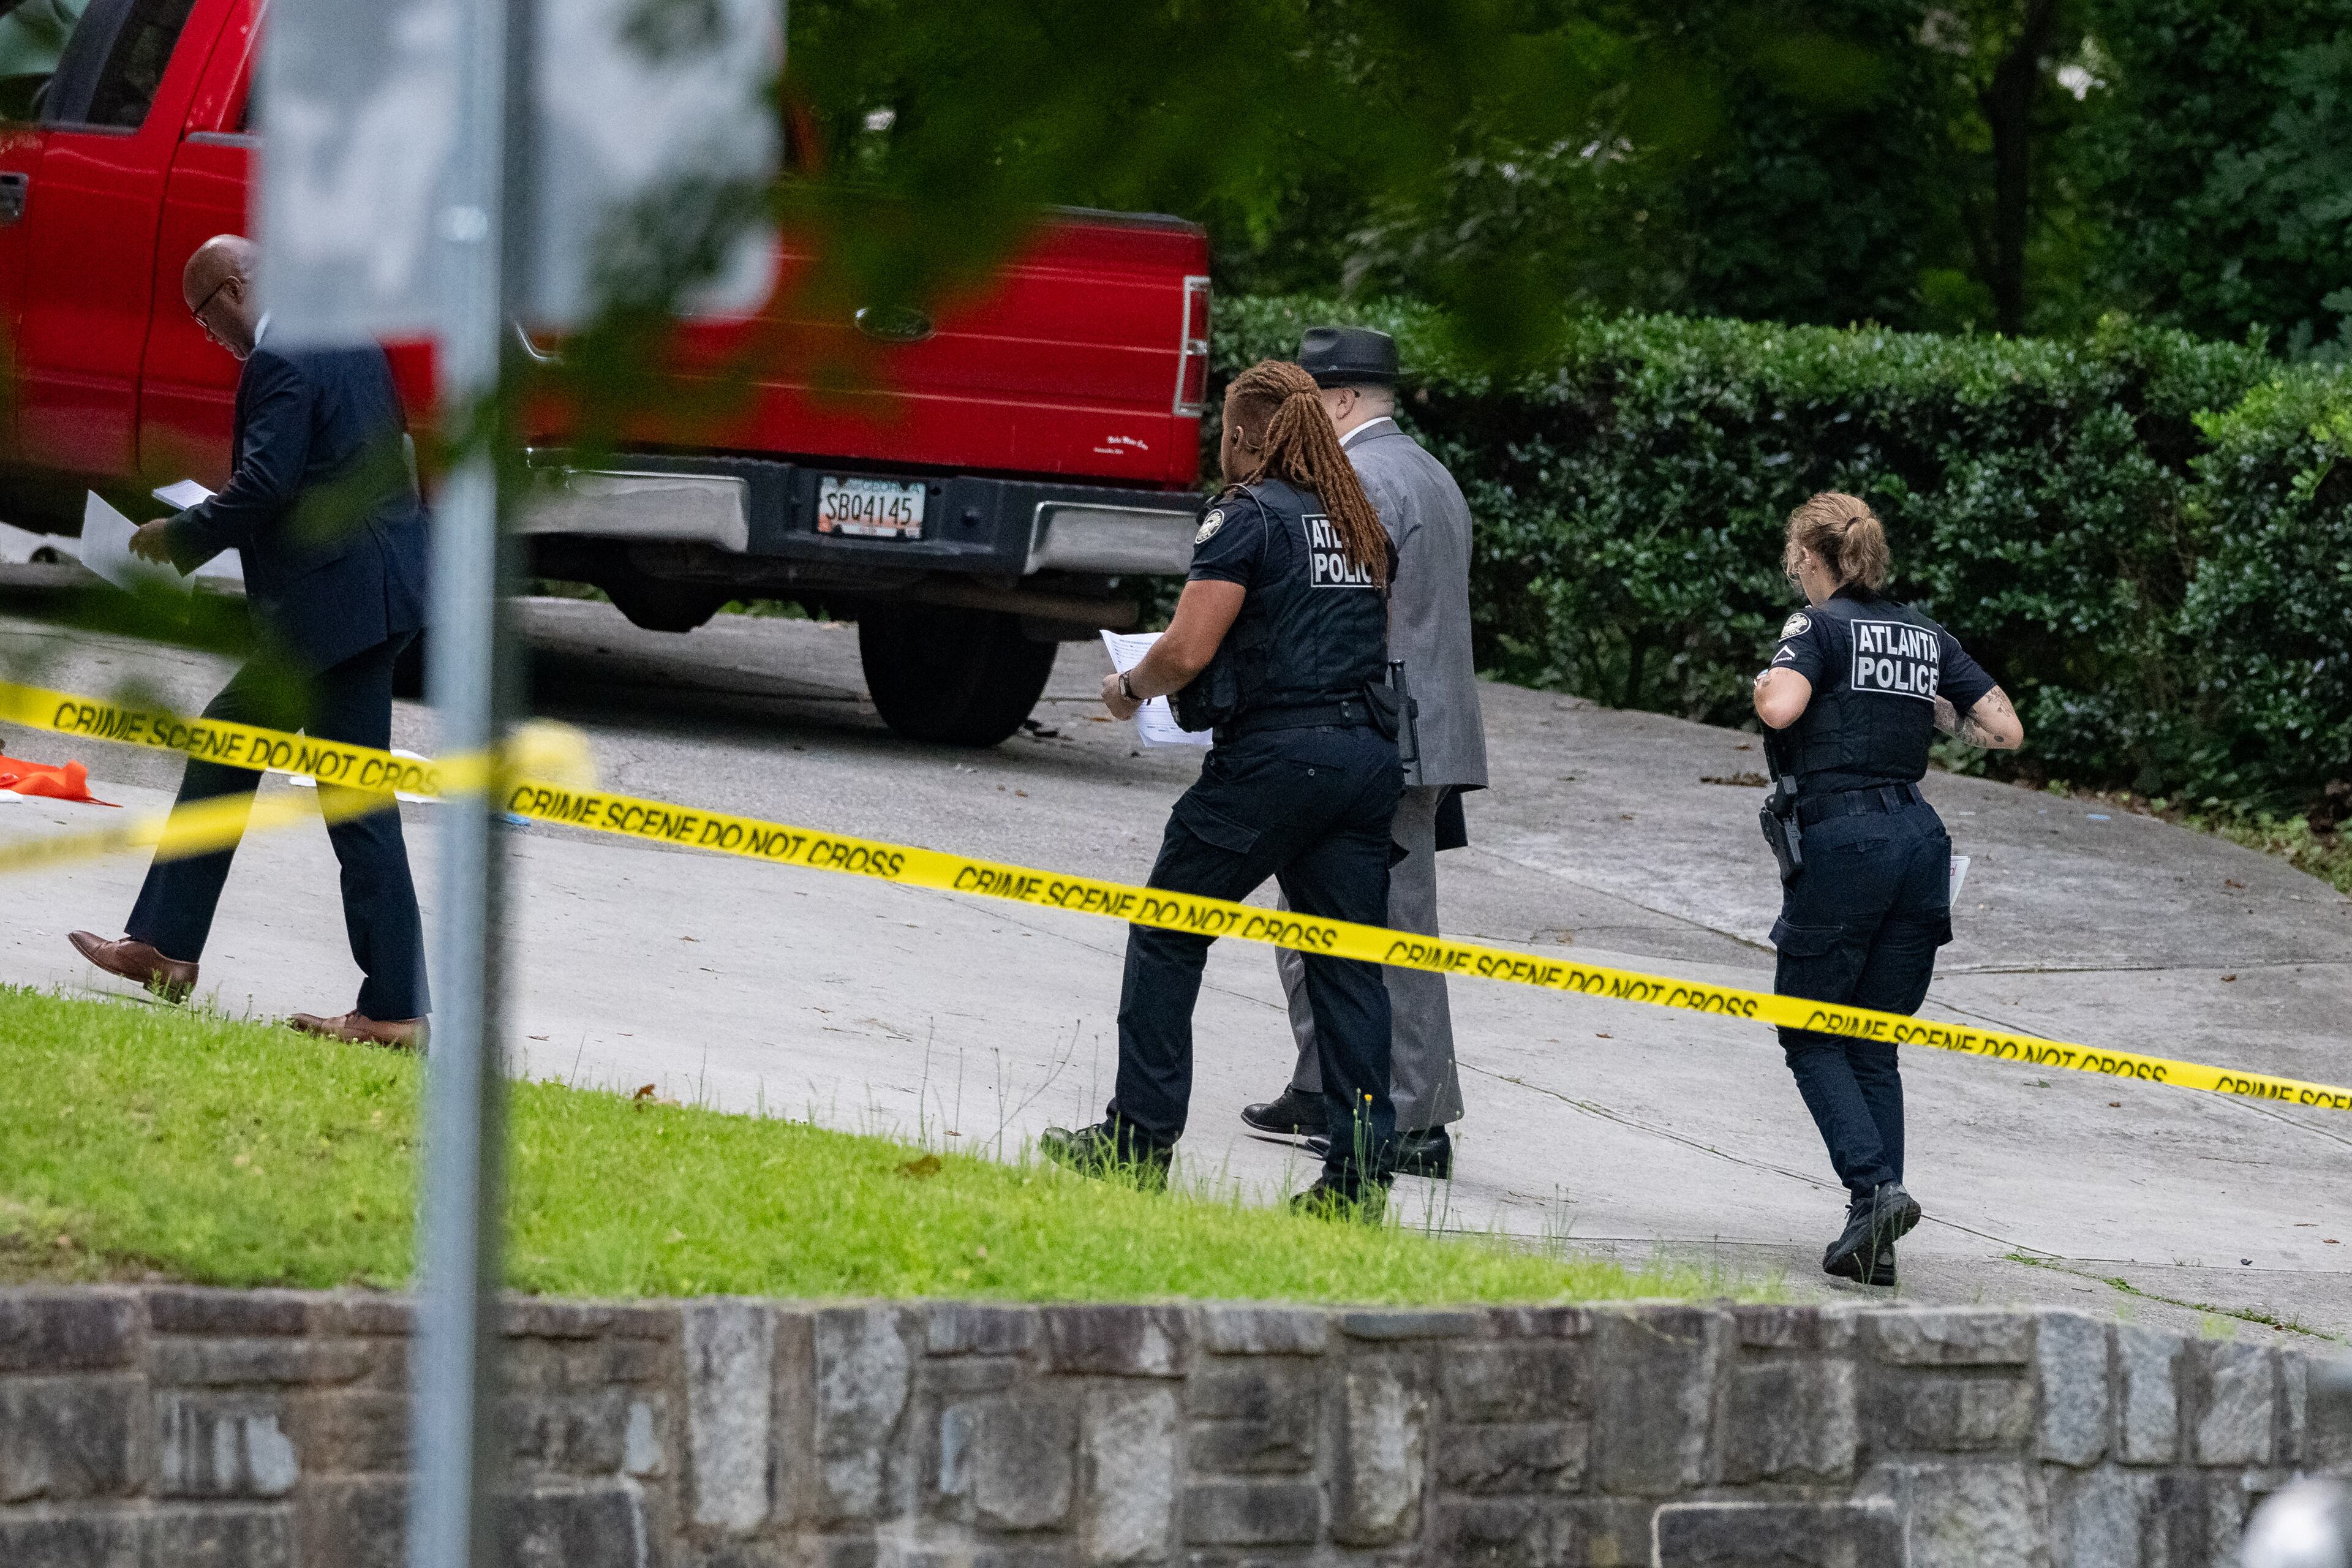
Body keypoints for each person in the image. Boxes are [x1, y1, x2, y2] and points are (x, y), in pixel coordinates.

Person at [1042, 359, 1404, 1215]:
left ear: (1244, 434)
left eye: (1225, 434)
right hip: (1364, 758)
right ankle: (1357, 1182)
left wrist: (1130, 689)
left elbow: (1187, 650)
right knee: (1348, 965)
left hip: (1275, 763)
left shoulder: (1245, 518)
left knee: (1168, 931)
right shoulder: (1358, 519)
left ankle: (1137, 1140)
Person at [68, 235, 432, 1049]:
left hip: (336, 605)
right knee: (245, 754)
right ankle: (167, 949)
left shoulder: (282, 353)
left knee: (349, 801)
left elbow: (267, 483)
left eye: (204, 320)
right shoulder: (342, 326)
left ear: (233, 289)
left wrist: (177, 536)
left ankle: (393, 1010)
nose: (211, 337)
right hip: (373, 588)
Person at [1752, 492, 2023, 1284]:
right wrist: (1937, 716)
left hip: (1847, 845)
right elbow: (2003, 729)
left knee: (1809, 1030)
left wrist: (1767, 679)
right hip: (1921, 845)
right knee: (1873, 1039)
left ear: (1810, 558)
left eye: (1795, 561)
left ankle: (1873, 1189)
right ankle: (1876, 1242)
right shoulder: (1924, 634)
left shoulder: (1816, 627)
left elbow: (1782, 708)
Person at [1241, 325, 1488, 1180]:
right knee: (1313, 912)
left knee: (1392, 928)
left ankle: (1415, 1117)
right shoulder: (1427, 471)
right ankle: (1325, 1085)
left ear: (1340, 400)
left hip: (1381, 729)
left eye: (1306, 402)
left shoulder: (1362, 478)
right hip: (1411, 725)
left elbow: (1342, 606)